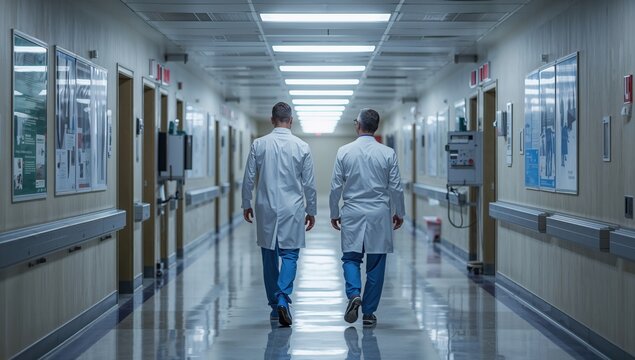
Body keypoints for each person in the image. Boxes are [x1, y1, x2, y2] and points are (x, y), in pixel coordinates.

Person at [242, 101, 317, 327]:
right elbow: (310, 185)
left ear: (272, 119)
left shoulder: (259, 144)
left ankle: (275, 308)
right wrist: (311, 210)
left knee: (269, 257)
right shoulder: (302, 146)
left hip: (266, 208)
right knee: (290, 256)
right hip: (292, 208)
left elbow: (248, 178)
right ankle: (284, 298)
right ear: (291, 120)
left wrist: (247, 203)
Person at [329, 109, 405, 327]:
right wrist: (399, 212)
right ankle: (369, 313)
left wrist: (334, 212)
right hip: (379, 214)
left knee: (351, 259)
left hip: (352, 212)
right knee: (376, 264)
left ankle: (354, 294)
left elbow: (335, 187)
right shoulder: (387, 153)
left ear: (358, 125)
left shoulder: (344, 151)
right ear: (376, 127)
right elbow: (396, 188)